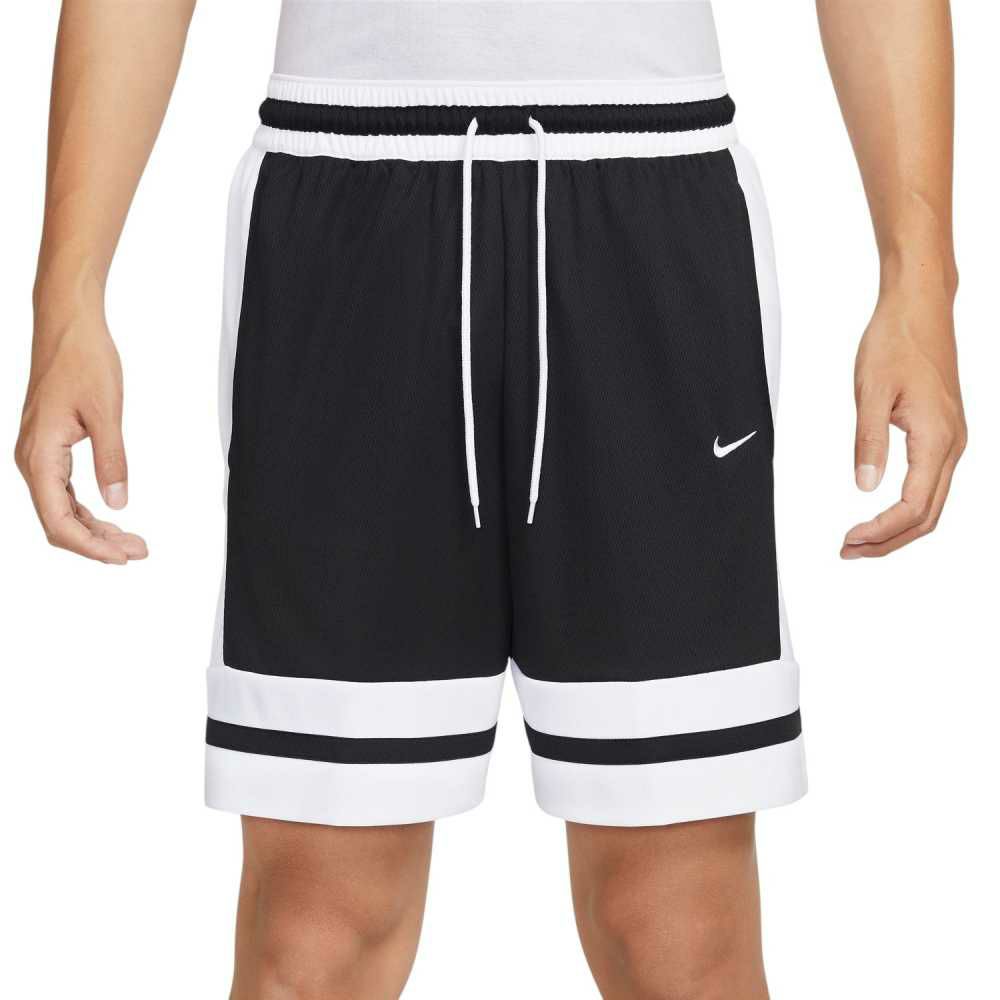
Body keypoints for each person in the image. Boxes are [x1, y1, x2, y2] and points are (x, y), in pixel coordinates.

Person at [16, 1, 966, 996]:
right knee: (315, 929)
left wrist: (919, 280)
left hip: (648, 201)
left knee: (678, 931)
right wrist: (66, 298)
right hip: (347, 211)